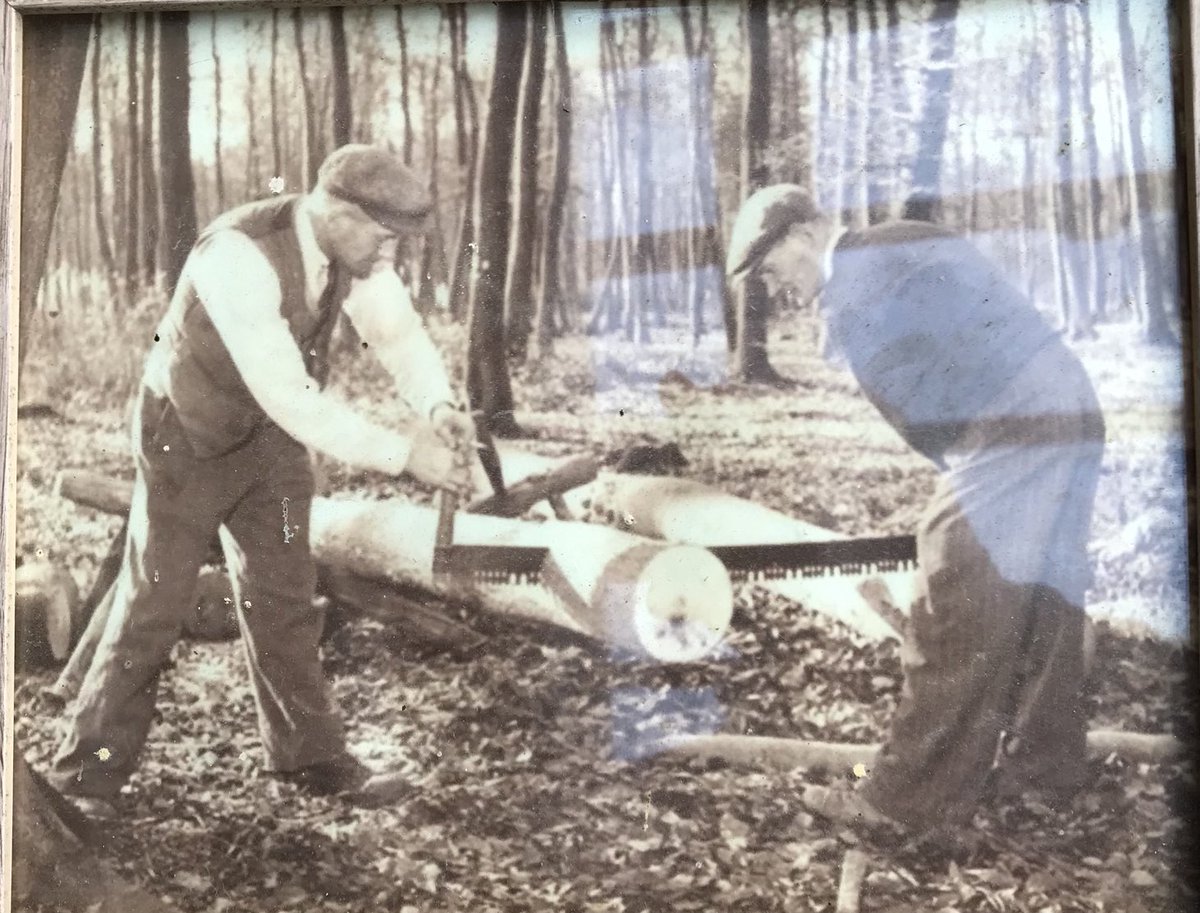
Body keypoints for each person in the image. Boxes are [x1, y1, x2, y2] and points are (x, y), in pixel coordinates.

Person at [49, 145, 477, 817]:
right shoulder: (238, 256)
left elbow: (399, 338)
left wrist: (439, 406)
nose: (390, 253)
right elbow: (291, 393)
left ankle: (309, 754)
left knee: (283, 590)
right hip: (185, 436)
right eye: (384, 236)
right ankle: (86, 774)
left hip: (269, 445)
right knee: (154, 601)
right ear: (337, 213)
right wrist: (406, 455)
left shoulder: (357, 254)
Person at [725, 185, 1105, 837]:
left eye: (769, 269)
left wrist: (962, 491)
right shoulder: (895, 238)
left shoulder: (858, 289)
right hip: (1067, 397)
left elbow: (923, 411)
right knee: (1044, 588)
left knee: (948, 583)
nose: (775, 287)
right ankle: (1046, 770)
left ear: (802, 237)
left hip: (1017, 418)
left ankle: (905, 803)